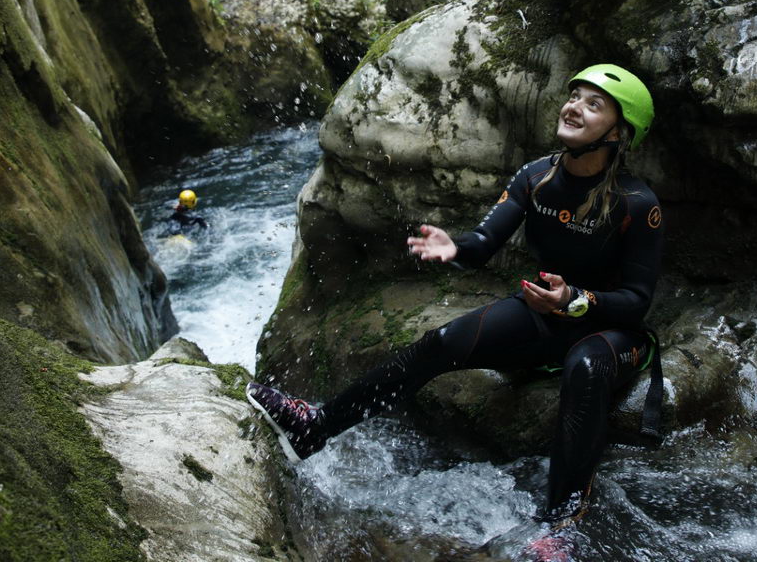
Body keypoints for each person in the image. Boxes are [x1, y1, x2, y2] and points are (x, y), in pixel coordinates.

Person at [247, 64, 664, 559]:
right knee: (441, 343)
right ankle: (315, 427)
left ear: (618, 133)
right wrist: (456, 247)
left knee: (586, 366)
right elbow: (484, 243)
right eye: (574, 96)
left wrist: (575, 298)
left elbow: (637, 301)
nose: (574, 107)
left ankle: (563, 523)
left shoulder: (637, 203)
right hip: (544, 314)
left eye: (594, 105)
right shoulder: (537, 176)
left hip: (612, 333)